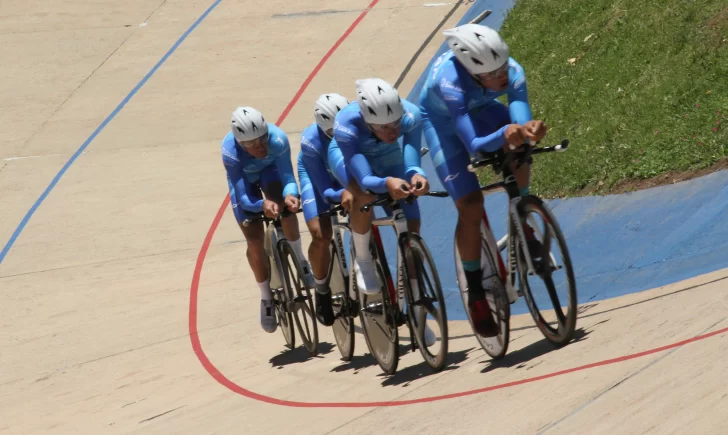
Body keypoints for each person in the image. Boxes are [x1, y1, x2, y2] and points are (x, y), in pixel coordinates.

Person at [418, 23, 548, 338]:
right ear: (473, 72)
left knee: (519, 146)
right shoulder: (450, 82)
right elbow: (474, 144)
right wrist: (504, 134)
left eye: (504, 67)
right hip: (444, 124)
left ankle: (523, 216)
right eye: (494, 75)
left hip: (480, 107)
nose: (504, 77)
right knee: (471, 204)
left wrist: (526, 131)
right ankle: (475, 289)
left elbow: (519, 116)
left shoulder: (511, 70)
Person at [331, 78, 436, 347]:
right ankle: (363, 258)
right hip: (352, 158)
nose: (393, 130)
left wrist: (417, 176)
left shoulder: (410, 116)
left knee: (411, 215)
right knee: (362, 195)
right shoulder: (347, 125)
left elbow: (411, 161)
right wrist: (386, 184)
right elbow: (365, 177)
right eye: (384, 127)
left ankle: (416, 306)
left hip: (386, 155)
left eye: (396, 124)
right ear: (368, 121)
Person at [222, 106, 311, 334]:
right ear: (241, 143)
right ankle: (266, 298)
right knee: (254, 241)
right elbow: (243, 197)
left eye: (262, 140)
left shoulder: (278, 139)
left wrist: (291, 195)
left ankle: (300, 259)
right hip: (245, 183)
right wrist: (260, 205)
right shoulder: (230, 151)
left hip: (270, 173)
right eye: (252, 144)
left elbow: (289, 177)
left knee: (285, 207)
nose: (260, 147)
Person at [297, 93, 353, 327]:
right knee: (321, 235)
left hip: (341, 174)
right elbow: (324, 191)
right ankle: (321, 290)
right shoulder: (311, 141)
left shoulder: (353, 125)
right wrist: (341, 195)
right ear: (322, 128)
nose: (338, 137)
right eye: (332, 133)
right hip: (317, 179)